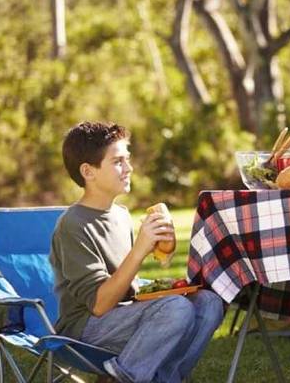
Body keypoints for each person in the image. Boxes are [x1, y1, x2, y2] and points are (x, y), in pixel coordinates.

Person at [50, 122, 224, 383]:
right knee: (176, 309)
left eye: (127, 160)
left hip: (125, 313)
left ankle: (164, 378)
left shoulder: (120, 215)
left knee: (209, 303)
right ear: (88, 171)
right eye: (118, 161)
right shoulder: (73, 224)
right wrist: (140, 249)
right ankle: (124, 377)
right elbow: (99, 305)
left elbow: (127, 286)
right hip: (84, 328)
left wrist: (158, 278)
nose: (129, 168)